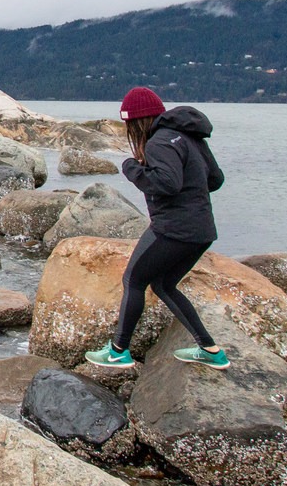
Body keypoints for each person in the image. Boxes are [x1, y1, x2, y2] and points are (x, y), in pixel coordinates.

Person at [84, 86, 231, 370]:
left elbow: (167, 184)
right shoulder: (189, 137)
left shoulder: (158, 143)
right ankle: (210, 350)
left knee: (133, 280)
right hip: (201, 231)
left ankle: (118, 351)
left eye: (128, 125)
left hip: (172, 229)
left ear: (136, 122)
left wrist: (132, 169)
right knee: (163, 284)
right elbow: (215, 180)